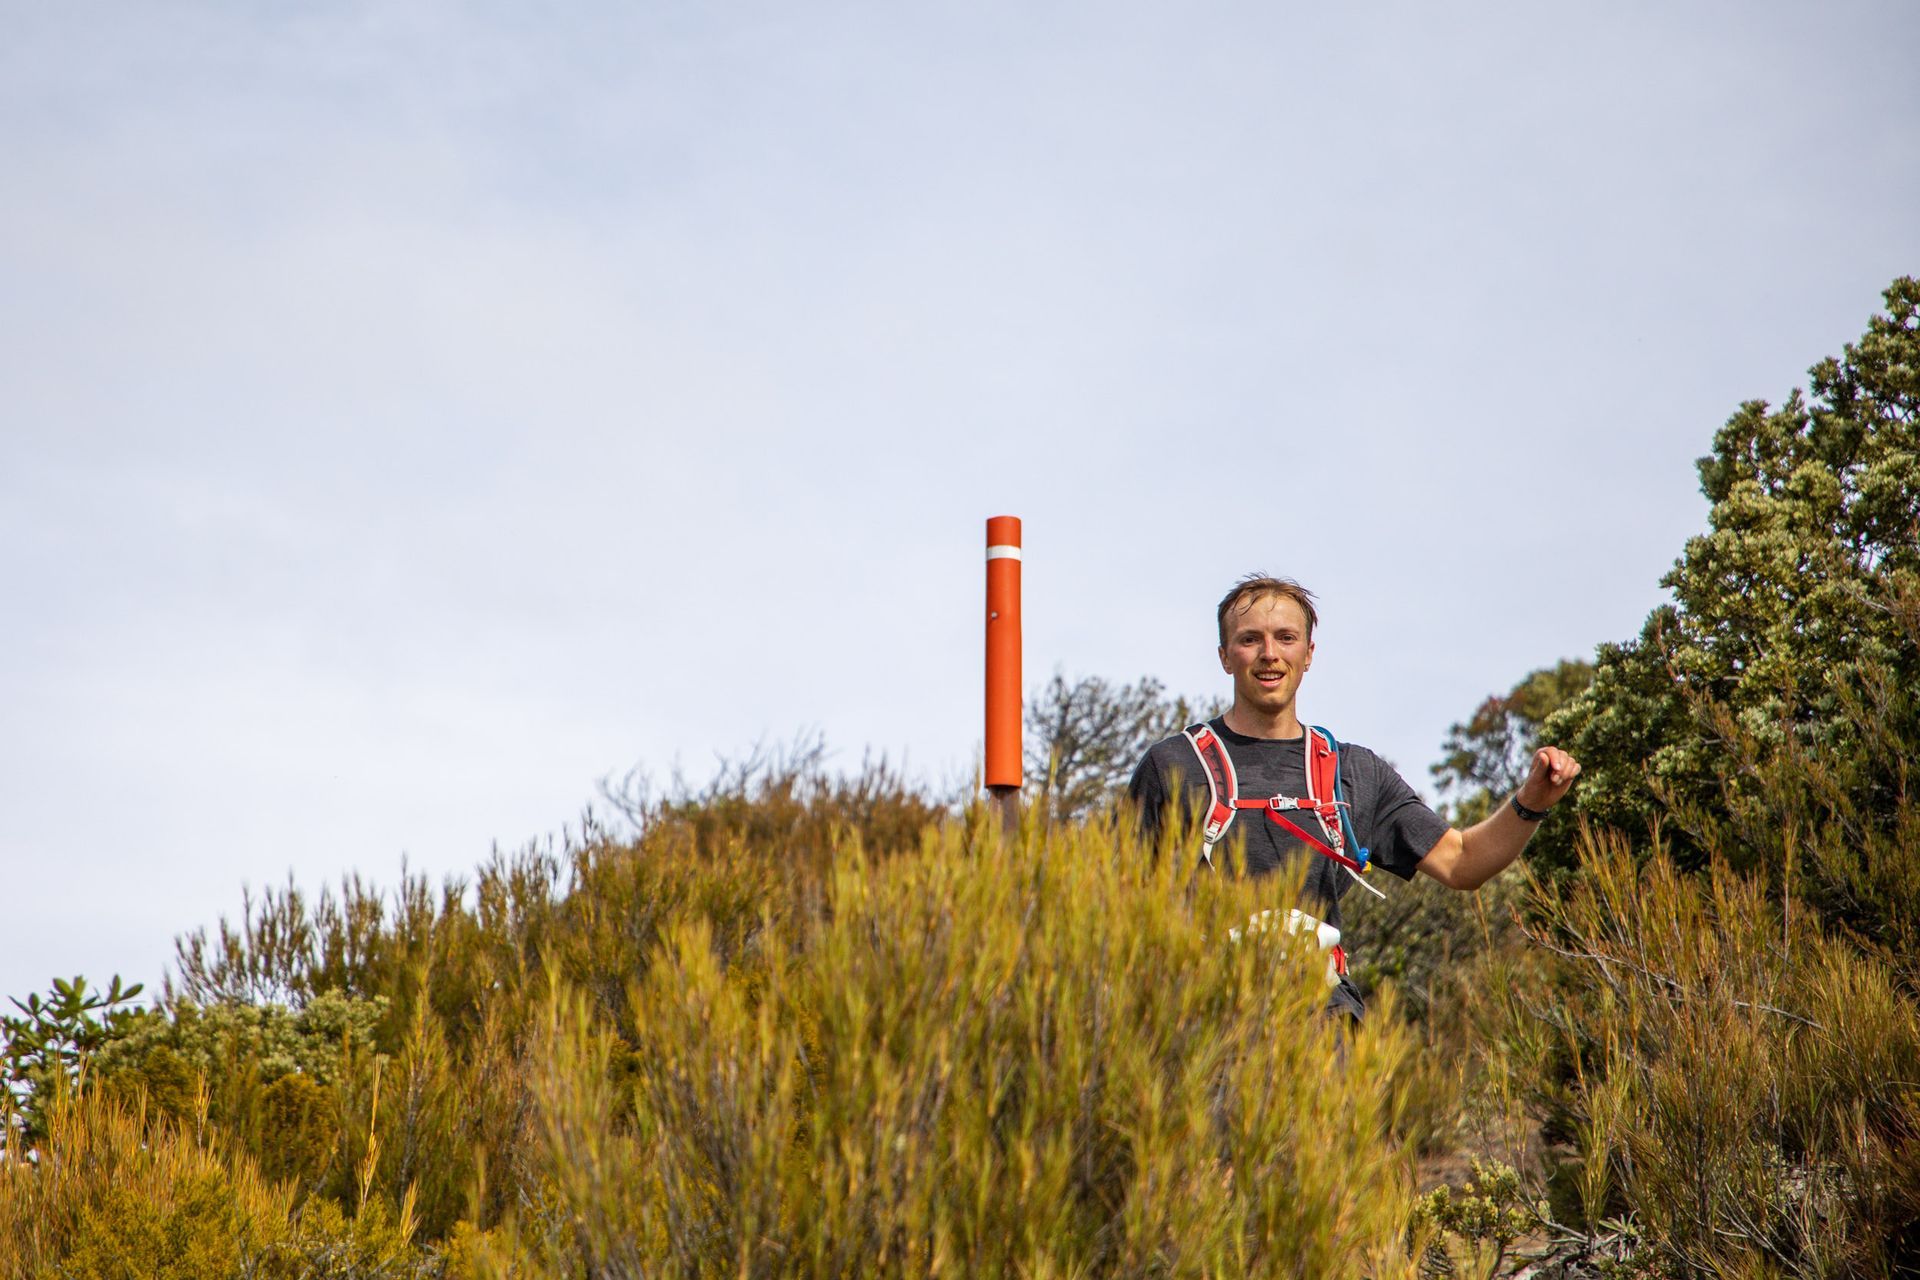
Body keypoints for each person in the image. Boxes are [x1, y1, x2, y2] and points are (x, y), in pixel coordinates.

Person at [1128, 574, 1581, 1018]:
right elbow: (1118, 905)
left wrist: (1531, 801)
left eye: (1286, 638)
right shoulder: (1172, 766)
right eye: (1250, 640)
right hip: (1207, 1021)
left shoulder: (1354, 773)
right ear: (1225, 656)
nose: (1269, 654)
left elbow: (1461, 862)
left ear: (1309, 654)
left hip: (1323, 1024)